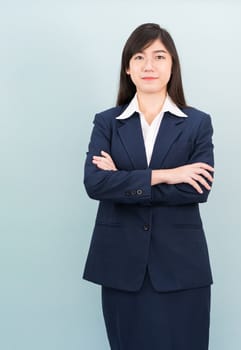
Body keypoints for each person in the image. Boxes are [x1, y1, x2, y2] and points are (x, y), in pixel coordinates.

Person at [83, 23, 215, 350]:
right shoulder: (107, 122)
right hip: (121, 265)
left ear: (172, 66)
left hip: (182, 266)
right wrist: (167, 174)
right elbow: (96, 183)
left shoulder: (197, 122)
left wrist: (124, 180)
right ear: (128, 68)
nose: (149, 66)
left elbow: (198, 189)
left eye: (159, 56)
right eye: (139, 57)